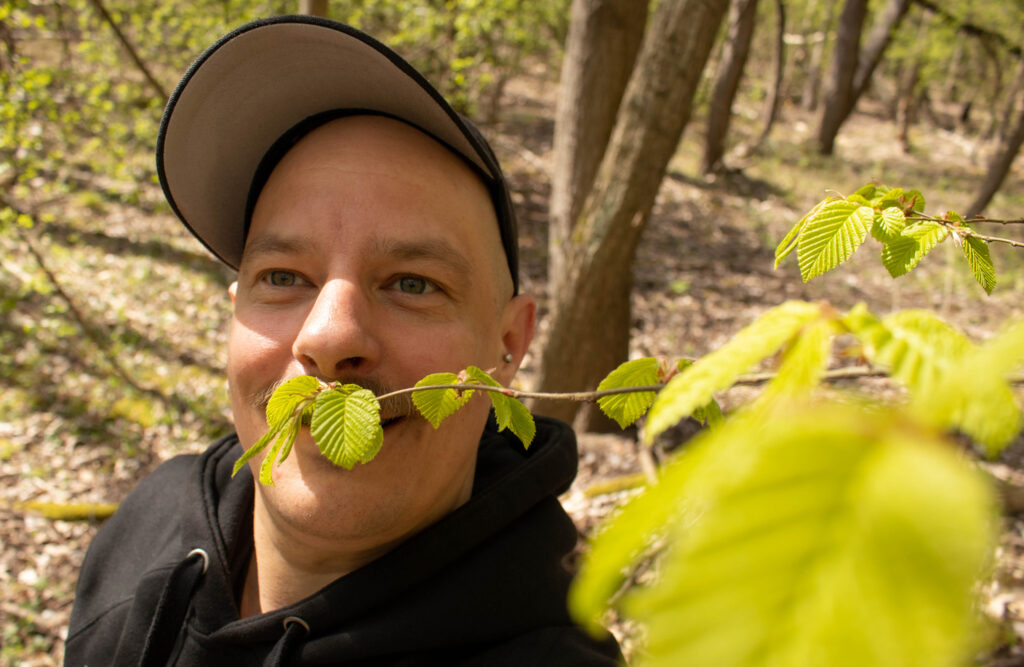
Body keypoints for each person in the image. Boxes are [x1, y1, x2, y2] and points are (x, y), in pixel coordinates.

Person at [65, 14, 622, 667]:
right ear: (235, 310)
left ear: (507, 344)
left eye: (412, 283)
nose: (330, 336)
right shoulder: (146, 526)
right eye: (282, 276)